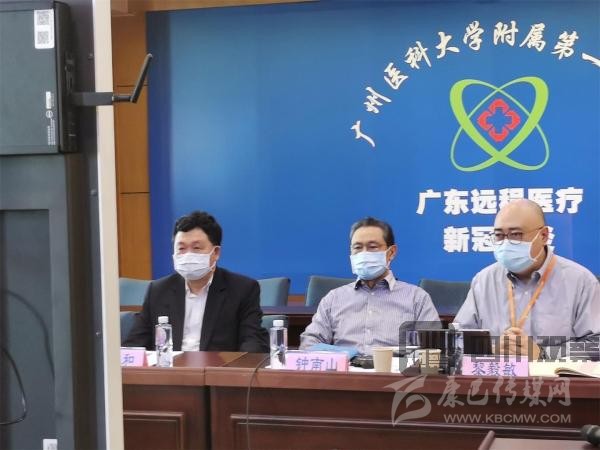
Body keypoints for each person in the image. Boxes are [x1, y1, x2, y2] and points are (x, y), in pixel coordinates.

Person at [455, 199, 599, 360]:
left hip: (555, 376)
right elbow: (457, 339)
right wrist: (490, 349)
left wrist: (544, 354)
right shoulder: (484, 281)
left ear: (543, 236)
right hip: (497, 375)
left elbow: (596, 345)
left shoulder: (581, 281)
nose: (506, 243)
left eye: (516, 234)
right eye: (499, 235)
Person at [124, 211, 269, 353]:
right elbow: (134, 344)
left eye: (196, 248)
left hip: (217, 367)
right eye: (181, 248)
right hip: (170, 367)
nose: (188, 255)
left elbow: (252, 343)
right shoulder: (158, 290)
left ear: (216, 253)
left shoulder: (242, 289)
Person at [300, 217, 441, 354]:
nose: (364, 253)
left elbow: (432, 349)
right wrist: (344, 356)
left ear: (391, 252)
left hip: (395, 369)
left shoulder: (417, 298)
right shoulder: (334, 298)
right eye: (357, 247)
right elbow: (310, 344)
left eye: (372, 247)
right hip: (345, 368)